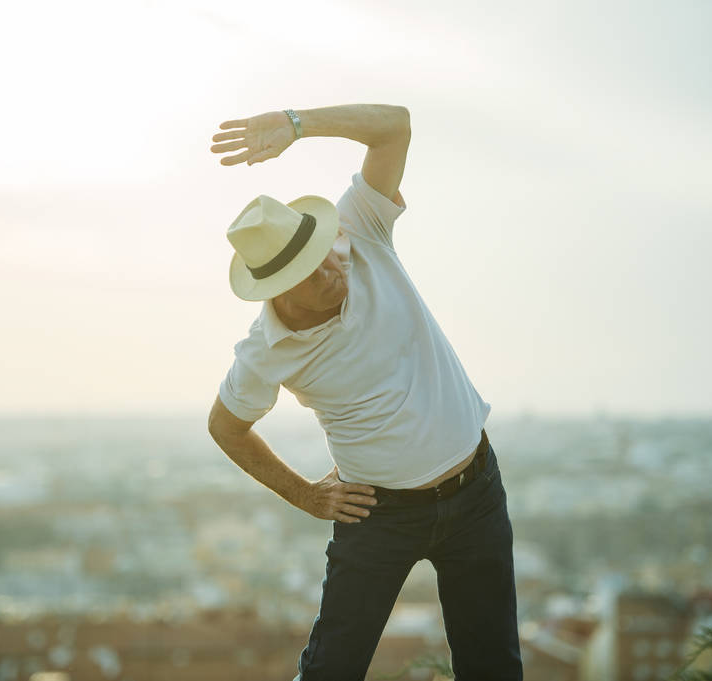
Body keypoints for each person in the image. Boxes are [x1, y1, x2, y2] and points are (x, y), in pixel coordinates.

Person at [207, 104, 523, 681]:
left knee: (494, 668)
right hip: (378, 515)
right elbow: (225, 426)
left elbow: (395, 125)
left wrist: (295, 124)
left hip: (475, 490)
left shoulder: (360, 231)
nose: (335, 268)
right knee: (331, 669)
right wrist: (302, 494)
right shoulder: (265, 351)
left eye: (324, 251)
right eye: (314, 274)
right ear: (278, 292)